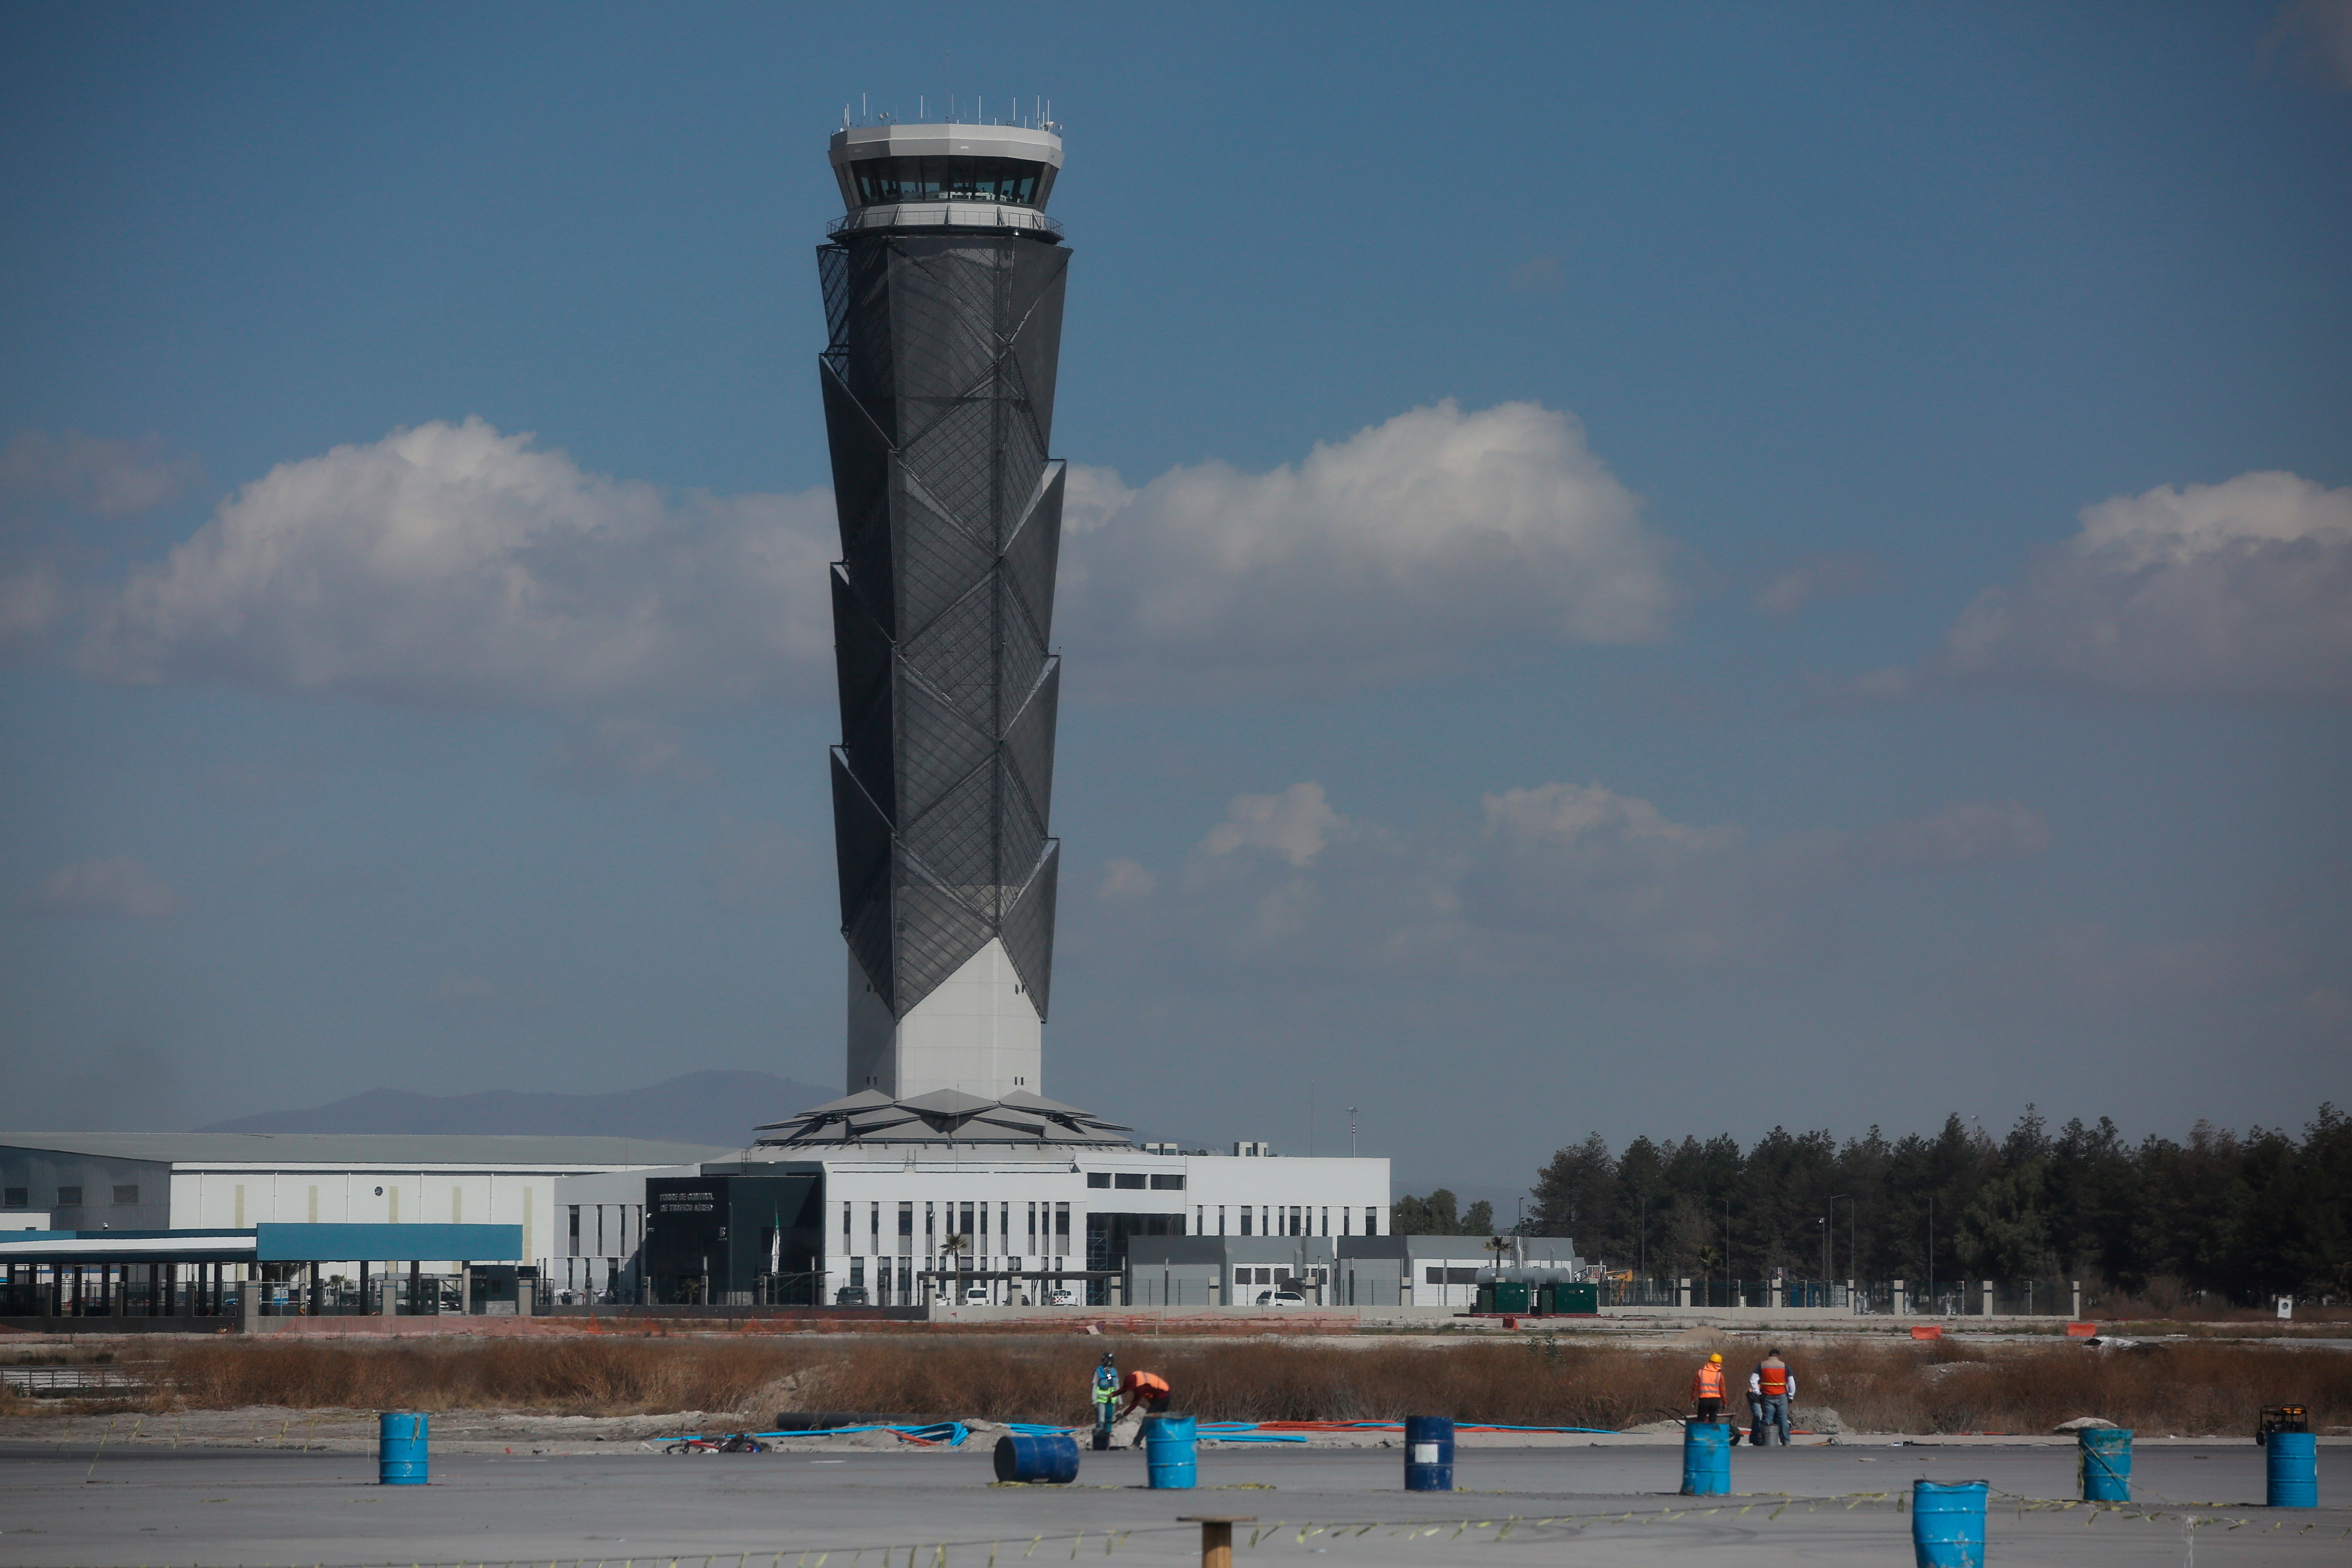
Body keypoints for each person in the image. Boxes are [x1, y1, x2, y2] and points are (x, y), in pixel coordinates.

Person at [1755, 1348, 1794, 1446]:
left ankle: (1766, 1440)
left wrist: (1758, 1392)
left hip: (1768, 1396)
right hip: (1782, 1396)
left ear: (1769, 1356)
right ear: (1779, 1357)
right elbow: (1792, 1383)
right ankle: (1786, 1441)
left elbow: (1753, 1380)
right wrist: (1791, 1397)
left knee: (1768, 1418)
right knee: (1783, 1419)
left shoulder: (1762, 1365)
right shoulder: (1784, 1366)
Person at [1090, 1352, 1118, 1451]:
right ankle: (1100, 1442)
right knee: (1101, 1421)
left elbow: (1116, 1385)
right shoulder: (1098, 1372)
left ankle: (1108, 1441)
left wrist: (1120, 1399)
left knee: (1109, 1420)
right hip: (1102, 1399)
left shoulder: (1113, 1371)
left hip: (1112, 1400)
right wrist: (1094, 1400)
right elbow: (1095, 1386)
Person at [1691, 1352, 1727, 1423]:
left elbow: (1695, 1388)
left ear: (1709, 1362)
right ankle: (1711, 1434)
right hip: (1716, 1401)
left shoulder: (1700, 1372)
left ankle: (1700, 1434)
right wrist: (1725, 1403)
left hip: (1704, 1401)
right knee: (1712, 1422)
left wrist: (1693, 1399)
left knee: (1700, 1421)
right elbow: (1723, 1391)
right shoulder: (1719, 1375)